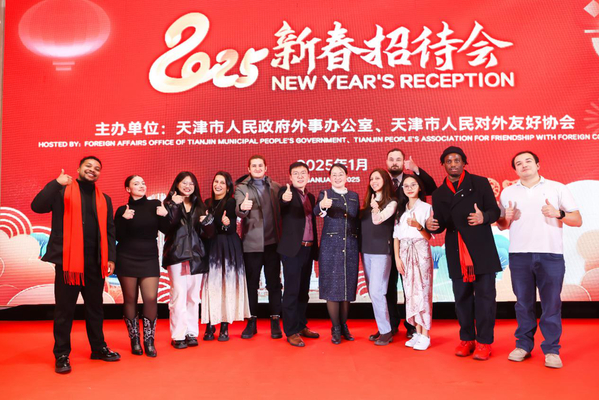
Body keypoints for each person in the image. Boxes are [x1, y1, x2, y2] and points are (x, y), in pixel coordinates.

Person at [31, 156, 119, 374]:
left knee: (95, 309)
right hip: (68, 263)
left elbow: (110, 230)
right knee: (64, 311)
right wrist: (56, 183)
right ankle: (61, 354)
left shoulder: (105, 199)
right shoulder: (62, 191)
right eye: (88, 166)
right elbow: (37, 206)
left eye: (97, 168)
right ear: (78, 168)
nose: (92, 170)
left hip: (95, 263)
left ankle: (98, 348)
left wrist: (111, 258)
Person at [497, 151, 582, 369]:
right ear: (515, 169)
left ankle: (552, 349)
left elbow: (577, 220)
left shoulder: (557, 188)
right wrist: (507, 219)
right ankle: (523, 345)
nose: (524, 165)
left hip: (551, 255)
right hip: (519, 255)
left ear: (538, 165)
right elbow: (502, 225)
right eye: (518, 163)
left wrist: (558, 214)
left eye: (528, 161)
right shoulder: (507, 192)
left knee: (551, 304)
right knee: (523, 304)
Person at [426, 146, 501, 361]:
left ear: (464, 162)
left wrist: (484, 217)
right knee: (461, 298)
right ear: (443, 165)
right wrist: (431, 225)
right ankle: (467, 339)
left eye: (457, 160)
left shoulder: (480, 183)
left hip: (481, 249)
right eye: (448, 161)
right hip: (456, 251)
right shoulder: (439, 193)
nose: (453, 164)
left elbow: (495, 211)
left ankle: (484, 342)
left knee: (485, 299)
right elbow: (441, 224)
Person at [383, 148, 437, 340]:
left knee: (417, 289)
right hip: (391, 243)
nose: (395, 162)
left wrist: (416, 169)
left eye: (398, 159)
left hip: (416, 246)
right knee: (390, 286)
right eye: (391, 159)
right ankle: (390, 326)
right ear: (387, 162)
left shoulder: (413, 184)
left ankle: (414, 328)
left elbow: (432, 187)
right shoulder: (382, 182)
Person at [114, 175, 169, 357]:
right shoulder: (122, 210)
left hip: (149, 257)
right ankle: (135, 339)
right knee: (130, 299)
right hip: (126, 257)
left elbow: (167, 230)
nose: (141, 186)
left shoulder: (155, 205)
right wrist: (124, 219)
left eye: (143, 183)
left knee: (151, 298)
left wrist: (166, 216)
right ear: (128, 189)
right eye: (136, 184)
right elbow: (117, 236)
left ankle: (149, 340)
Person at [162, 171, 213, 349]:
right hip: (177, 255)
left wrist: (208, 222)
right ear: (177, 184)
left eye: (191, 183)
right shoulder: (168, 203)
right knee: (178, 295)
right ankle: (178, 334)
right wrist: (175, 206)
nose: (188, 186)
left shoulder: (201, 206)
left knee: (193, 297)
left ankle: (191, 332)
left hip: (197, 256)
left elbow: (208, 235)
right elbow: (167, 227)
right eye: (184, 183)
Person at [234, 155, 283, 339]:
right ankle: (251, 322)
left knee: (274, 284)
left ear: (265, 167)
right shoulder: (242, 188)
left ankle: (275, 321)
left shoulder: (276, 187)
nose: (257, 168)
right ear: (248, 169)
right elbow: (239, 210)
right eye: (253, 166)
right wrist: (243, 207)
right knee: (251, 285)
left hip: (273, 244)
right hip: (251, 245)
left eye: (260, 165)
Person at [201, 171, 251, 341]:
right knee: (211, 286)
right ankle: (210, 324)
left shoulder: (230, 202)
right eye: (216, 181)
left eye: (222, 183)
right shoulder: (207, 203)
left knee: (225, 286)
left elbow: (230, 228)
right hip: (211, 247)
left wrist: (226, 224)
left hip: (228, 247)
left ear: (228, 187)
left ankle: (224, 326)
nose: (218, 185)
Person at [314, 163, 360, 344]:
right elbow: (317, 211)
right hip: (330, 247)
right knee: (333, 287)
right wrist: (322, 206)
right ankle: (336, 327)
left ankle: (344, 324)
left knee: (347, 286)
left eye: (341, 174)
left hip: (350, 246)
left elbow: (357, 220)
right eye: (334, 174)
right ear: (329, 178)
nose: (338, 177)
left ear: (347, 176)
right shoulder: (325, 194)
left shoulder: (354, 196)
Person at [278, 162, 320, 347]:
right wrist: (285, 199)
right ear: (290, 177)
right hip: (292, 251)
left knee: (304, 291)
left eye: (303, 173)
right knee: (292, 292)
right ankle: (291, 331)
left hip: (308, 249)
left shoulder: (310, 196)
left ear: (309, 176)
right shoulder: (285, 192)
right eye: (296, 173)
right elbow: (282, 204)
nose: (300, 176)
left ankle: (301, 325)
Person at [393, 174, 434, 351]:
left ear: (419, 187)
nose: (409, 188)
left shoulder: (427, 208)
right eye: (406, 186)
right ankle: (417, 332)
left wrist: (418, 226)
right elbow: (396, 236)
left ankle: (425, 334)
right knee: (410, 293)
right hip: (404, 252)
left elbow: (429, 236)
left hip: (420, 251)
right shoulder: (400, 210)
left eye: (413, 185)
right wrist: (397, 258)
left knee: (423, 291)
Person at [360, 169, 398, 346]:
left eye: (377, 178)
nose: (374, 181)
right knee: (373, 292)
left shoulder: (392, 202)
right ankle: (384, 327)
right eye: (371, 178)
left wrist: (376, 208)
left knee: (377, 291)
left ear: (385, 181)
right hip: (366, 251)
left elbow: (379, 220)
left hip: (382, 252)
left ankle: (386, 331)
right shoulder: (368, 202)